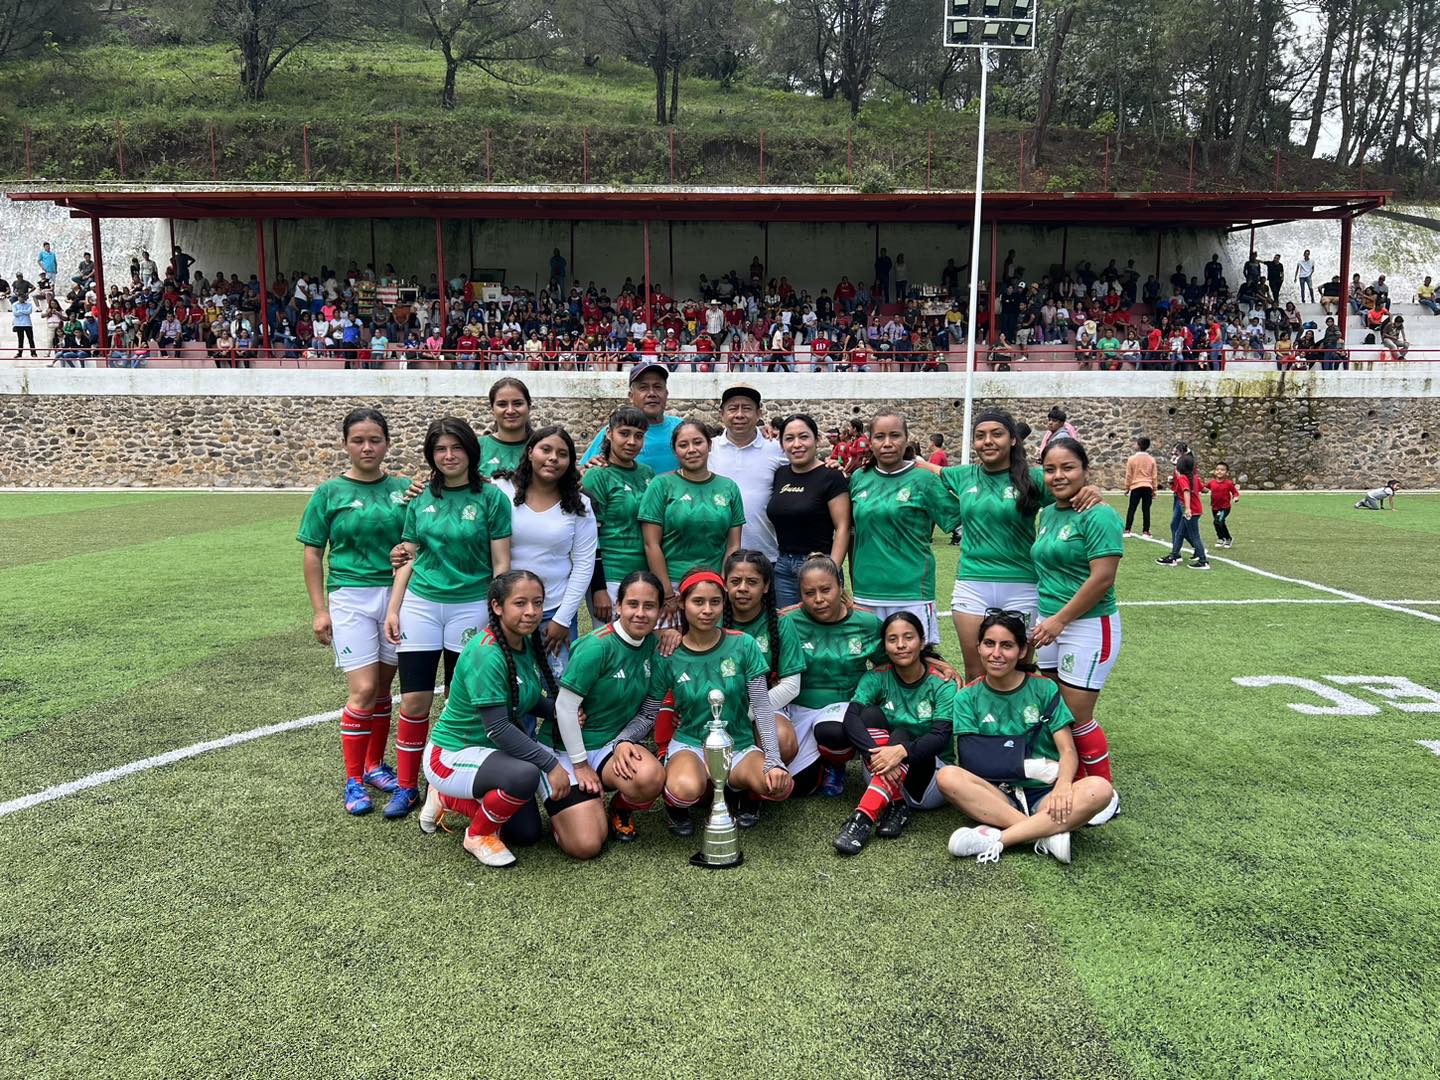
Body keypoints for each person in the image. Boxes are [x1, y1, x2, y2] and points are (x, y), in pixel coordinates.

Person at [383, 417, 513, 818]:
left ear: (471, 452)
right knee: (415, 700)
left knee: (462, 703)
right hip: (421, 605)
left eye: (456, 447)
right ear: (431, 455)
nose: (449, 455)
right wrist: (394, 607)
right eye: (440, 449)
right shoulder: (420, 499)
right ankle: (406, 787)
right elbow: (407, 555)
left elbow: (501, 563)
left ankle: (443, 784)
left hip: (470, 606)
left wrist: (496, 615)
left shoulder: (492, 498)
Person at [918, 409, 1098, 681]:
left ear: (1013, 440)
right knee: (976, 672)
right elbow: (926, 468)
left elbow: (1071, 488)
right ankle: (977, 723)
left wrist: (1092, 489)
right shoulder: (964, 475)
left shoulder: (1034, 479)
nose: (987, 441)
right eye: (980, 436)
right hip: (972, 585)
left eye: (996, 434)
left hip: (1023, 586)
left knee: (1018, 671)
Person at [297, 409, 413, 815]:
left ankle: (373, 764)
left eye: (375, 440)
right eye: (359, 440)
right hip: (350, 597)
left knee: (384, 689)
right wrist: (319, 610)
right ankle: (352, 779)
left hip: (398, 596)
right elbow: (313, 553)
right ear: (345, 444)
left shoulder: (405, 489)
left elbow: (419, 537)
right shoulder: (329, 493)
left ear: (387, 443)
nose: (367, 447)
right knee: (362, 690)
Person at [939, 611, 1114, 865]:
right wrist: (1035, 767)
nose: (996, 653)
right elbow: (971, 759)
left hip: (1046, 796)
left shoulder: (1044, 687)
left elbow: (1067, 750)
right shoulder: (967, 696)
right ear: (978, 647)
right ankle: (1044, 834)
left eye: (1007, 645)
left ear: (1022, 651)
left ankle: (999, 838)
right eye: (989, 644)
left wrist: (1064, 784)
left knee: (1100, 789)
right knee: (947, 776)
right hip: (996, 793)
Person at [417, 571, 563, 868]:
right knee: (525, 775)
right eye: (520, 603)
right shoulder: (487, 653)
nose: (532, 612)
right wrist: (551, 765)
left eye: (537, 602)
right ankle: (476, 835)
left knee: (526, 833)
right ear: (497, 607)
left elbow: (527, 695)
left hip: (492, 756)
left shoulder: (523, 641)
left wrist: (559, 712)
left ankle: (446, 799)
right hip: (451, 755)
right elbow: (497, 728)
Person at [652, 569, 791, 837]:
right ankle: (677, 808)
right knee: (685, 790)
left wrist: (774, 759)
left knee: (777, 785)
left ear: (723, 603)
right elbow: (650, 710)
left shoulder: (743, 644)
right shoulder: (669, 653)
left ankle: (743, 795)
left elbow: (762, 705)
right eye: (698, 602)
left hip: (738, 744)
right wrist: (627, 741)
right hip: (691, 743)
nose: (707, 610)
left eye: (715, 602)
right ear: (682, 603)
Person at [1029, 437, 1122, 820]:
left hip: (1086, 626)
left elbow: (1102, 578)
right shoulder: (1048, 513)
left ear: (1085, 471)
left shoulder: (1099, 515)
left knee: (1078, 716)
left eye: (1068, 467)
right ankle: (1075, 780)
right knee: (1056, 712)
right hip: (1050, 623)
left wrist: (1060, 620)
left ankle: (1103, 793)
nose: (1058, 476)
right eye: (1050, 469)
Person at [547, 571, 668, 845]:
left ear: (660, 611)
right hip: (565, 750)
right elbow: (565, 708)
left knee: (650, 777)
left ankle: (618, 809)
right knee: (586, 844)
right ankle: (564, 807)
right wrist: (580, 766)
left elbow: (649, 712)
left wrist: (622, 741)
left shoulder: (655, 648)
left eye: (649, 606)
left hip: (607, 747)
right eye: (632, 604)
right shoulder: (597, 646)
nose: (640, 613)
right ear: (618, 606)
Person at [831, 612, 956, 856]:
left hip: (928, 782)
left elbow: (941, 737)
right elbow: (850, 719)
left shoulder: (942, 683)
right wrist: (878, 755)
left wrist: (901, 751)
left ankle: (863, 818)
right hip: (884, 769)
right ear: (884, 646)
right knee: (869, 715)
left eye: (908, 637)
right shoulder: (876, 676)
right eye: (892, 639)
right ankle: (896, 805)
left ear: (922, 642)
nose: (900, 645)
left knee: (901, 734)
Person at [848, 408, 963, 644]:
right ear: (870, 441)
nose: (887, 443)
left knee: (916, 665)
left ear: (907, 438)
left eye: (895, 435)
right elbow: (846, 529)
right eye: (880, 436)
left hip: (911, 592)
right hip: (866, 590)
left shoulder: (924, 480)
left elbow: (963, 524)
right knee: (869, 667)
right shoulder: (859, 478)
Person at [493, 427, 596, 677]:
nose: (553, 458)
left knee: (562, 690)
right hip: (508, 610)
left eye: (562, 454)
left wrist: (562, 619)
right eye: (545, 450)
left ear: (570, 462)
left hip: (555, 609)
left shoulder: (579, 504)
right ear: (530, 452)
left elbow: (584, 564)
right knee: (513, 688)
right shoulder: (500, 489)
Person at [786, 553, 885, 798]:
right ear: (801, 595)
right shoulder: (787, 621)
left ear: (840, 586)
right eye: (809, 593)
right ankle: (818, 763)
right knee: (798, 787)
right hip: (800, 708)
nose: (819, 599)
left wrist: (933, 662)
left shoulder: (868, 622)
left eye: (826, 590)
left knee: (833, 733)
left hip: (843, 709)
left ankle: (836, 763)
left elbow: (891, 663)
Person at [722, 550, 806, 821]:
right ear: (725, 583)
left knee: (783, 740)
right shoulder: (710, 619)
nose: (742, 589)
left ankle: (753, 793)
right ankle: (724, 786)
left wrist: (749, 713)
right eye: (735, 581)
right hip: (717, 711)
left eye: (752, 582)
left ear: (766, 586)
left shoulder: (781, 623)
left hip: (764, 707)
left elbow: (791, 685)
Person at [638, 419, 745, 620]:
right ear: (675, 450)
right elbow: (651, 544)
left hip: (713, 585)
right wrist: (667, 593)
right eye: (683, 445)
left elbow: (733, 545)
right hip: (673, 585)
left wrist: (721, 584)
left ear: (709, 445)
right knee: (670, 646)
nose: (691, 450)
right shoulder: (661, 485)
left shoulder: (729, 488)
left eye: (698, 442)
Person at [766, 414, 851, 608]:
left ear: (817, 439)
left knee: (823, 628)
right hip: (784, 567)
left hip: (820, 564)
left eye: (804, 437)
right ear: (782, 445)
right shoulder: (780, 474)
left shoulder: (831, 476)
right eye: (789, 438)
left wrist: (832, 570)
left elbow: (843, 527)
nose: (797, 444)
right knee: (788, 628)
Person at [581, 405, 656, 619]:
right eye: (624, 433)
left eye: (639, 436)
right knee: (611, 645)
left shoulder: (647, 473)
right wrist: (598, 588)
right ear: (609, 433)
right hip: (611, 575)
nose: (632, 442)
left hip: (644, 573)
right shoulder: (596, 476)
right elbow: (589, 537)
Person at [710, 384, 787, 561]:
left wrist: (830, 464)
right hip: (717, 557)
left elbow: (807, 464)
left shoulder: (776, 448)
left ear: (759, 413)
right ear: (721, 414)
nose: (739, 415)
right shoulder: (708, 448)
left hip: (766, 555)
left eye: (747, 408)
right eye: (732, 408)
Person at [580, 361, 683, 473]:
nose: (652, 393)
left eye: (658, 387)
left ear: (666, 393)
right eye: (643, 388)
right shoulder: (615, 430)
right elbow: (580, 469)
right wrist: (588, 467)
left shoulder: (682, 429)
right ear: (631, 396)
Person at [1156, 449, 1209, 569]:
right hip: (1196, 509)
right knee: (1179, 533)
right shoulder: (1194, 477)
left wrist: (1188, 508)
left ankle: (1203, 561)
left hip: (1191, 510)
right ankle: (1174, 556)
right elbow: (1203, 489)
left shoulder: (1183, 478)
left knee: (1194, 535)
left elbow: (1186, 491)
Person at [477, 377, 534, 477]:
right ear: (492, 409)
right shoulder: (476, 447)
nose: (510, 411)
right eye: (502, 404)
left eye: (518, 404)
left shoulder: (542, 447)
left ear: (529, 406)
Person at [1123, 436, 1157, 538]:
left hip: (1136, 486)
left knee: (1132, 508)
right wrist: (1154, 490)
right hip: (1147, 486)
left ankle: (1127, 529)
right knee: (1146, 509)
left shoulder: (1132, 459)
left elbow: (1129, 475)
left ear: (1138, 445)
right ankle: (1145, 531)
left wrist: (1127, 487)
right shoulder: (1151, 460)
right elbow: (1154, 476)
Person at [1205, 462, 1240, 549]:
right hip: (1214, 507)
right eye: (1217, 470)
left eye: (1222, 470)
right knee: (1220, 523)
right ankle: (1228, 538)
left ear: (1227, 472)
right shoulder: (1212, 482)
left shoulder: (1228, 483)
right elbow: (1204, 488)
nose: (1219, 471)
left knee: (1217, 521)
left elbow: (1235, 493)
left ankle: (1220, 538)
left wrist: (1236, 498)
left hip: (1225, 507)